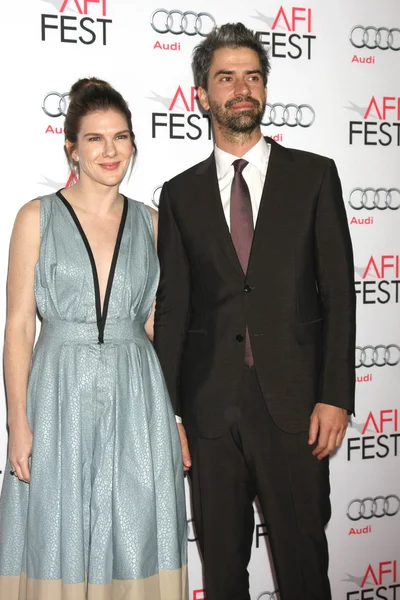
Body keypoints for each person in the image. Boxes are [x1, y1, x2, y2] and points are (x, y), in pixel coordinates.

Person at [154, 23, 355, 600]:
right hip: (209, 415)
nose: (242, 88)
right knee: (221, 576)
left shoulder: (314, 176)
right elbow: (173, 312)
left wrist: (336, 394)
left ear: (264, 88)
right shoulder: (180, 194)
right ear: (202, 95)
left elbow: (340, 293)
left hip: (296, 410)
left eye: (253, 76)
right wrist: (171, 416)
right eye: (226, 77)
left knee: (302, 570)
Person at [0, 78, 187, 600]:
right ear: (72, 148)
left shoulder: (151, 223)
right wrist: (18, 421)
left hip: (138, 397)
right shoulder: (36, 217)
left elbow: (156, 324)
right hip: (59, 394)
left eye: (121, 137)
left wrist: (177, 415)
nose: (110, 151)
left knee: (135, 532)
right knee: (55, 532)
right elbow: (18, 324)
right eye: (95, 138)